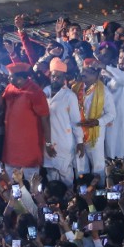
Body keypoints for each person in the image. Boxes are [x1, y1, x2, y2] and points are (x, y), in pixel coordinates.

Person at [2, 62, 51, 179]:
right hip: (11, 145)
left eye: (10, 76)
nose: (8, 78)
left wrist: (48, 143)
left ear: (19, 79)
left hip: (29, 146)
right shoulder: (9, 88)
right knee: (12, 181)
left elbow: (45, 119)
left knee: (31, 180)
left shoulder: (36, 92)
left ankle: (34, 198)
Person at [45, 59, 83, 187]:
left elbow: (76, 121)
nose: (55, 79)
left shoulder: (69, 96)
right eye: (53, 76)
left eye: (58, 77)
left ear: (64, 78)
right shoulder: (44, 92)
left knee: (66, 175)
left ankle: (69, 202)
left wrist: (80, 142)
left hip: (63, 142)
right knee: (51, 176)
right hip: (47, 141)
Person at [75, 59, 115, 178]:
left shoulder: (104, 92)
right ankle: (83, 190)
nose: (85, 74)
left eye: (89, 72)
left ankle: (99, 191)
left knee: (98, 166)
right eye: (84, 70)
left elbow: (112, 114)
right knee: (80, 165)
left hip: (95, 135)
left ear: (97, 75)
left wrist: (97, 122)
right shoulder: (75, 88)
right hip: (78, 133)